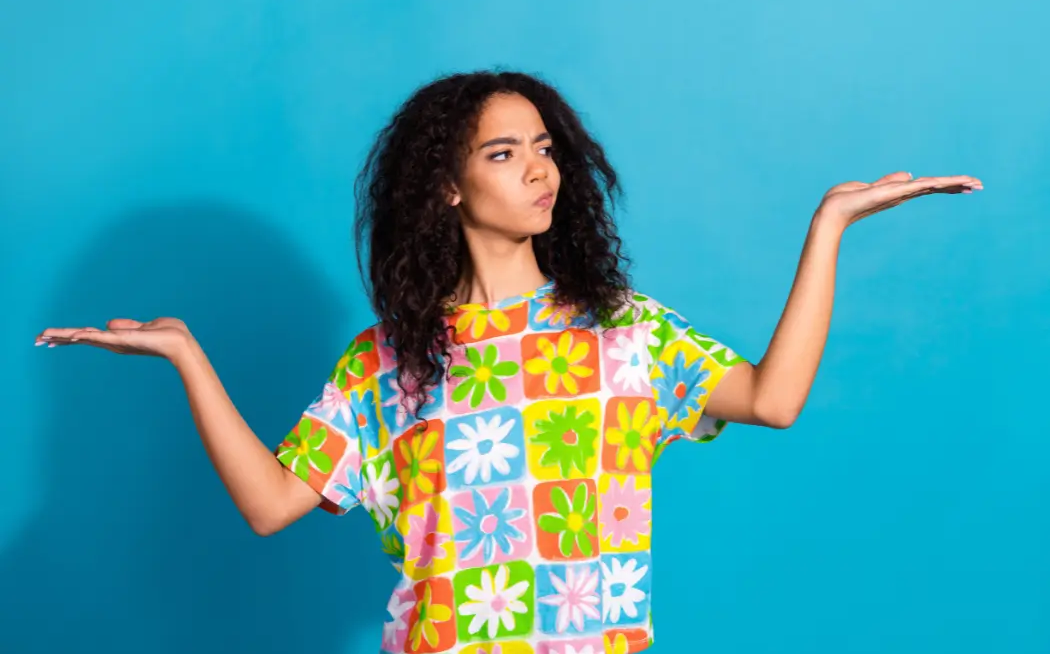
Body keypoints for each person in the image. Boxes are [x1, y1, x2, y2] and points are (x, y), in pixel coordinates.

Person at [36, 70, 982, 654]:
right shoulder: (390, 363)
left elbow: (773, 400)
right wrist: (189, 358)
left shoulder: (623, 331)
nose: (539, 168)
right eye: (502, 151)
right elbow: (270, 504)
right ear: (447, 187)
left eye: (543, 145)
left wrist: (829, 228)